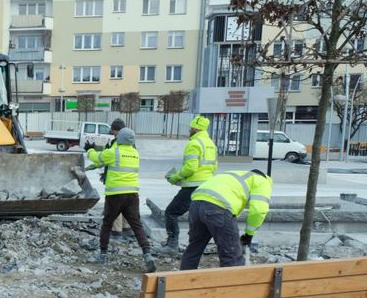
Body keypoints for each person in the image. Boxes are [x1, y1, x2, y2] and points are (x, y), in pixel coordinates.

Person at [85, 128, 156, 272]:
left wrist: (89, 150)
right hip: (132, 195)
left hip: (115, 195)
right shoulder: (135, 153)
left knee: (107, 223)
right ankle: (147, 254)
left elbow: (98, 158)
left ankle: (102, 254)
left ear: (120, 139)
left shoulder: (114, 152)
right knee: (137, 225)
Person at [179, 169, 274, 270]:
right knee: (231, 255)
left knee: (194, 248)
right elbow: (258, 210)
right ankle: (232, 280)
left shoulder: (235, 174)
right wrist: (249, 234)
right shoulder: (263, 181)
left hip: (195, 204)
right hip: (218, 208)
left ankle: (184, 278)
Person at [156, 114, 218, 254]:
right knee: (198, 217)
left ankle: (172, 245)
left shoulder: (194, 143)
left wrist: (175, 177)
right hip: (207, 186)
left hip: (192, 187)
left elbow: (191, 167)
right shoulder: (210, 144)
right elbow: (214, 166)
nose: (189, 130)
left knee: (171, 212)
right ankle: (198, 247)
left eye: (191, 128)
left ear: (196, 129)